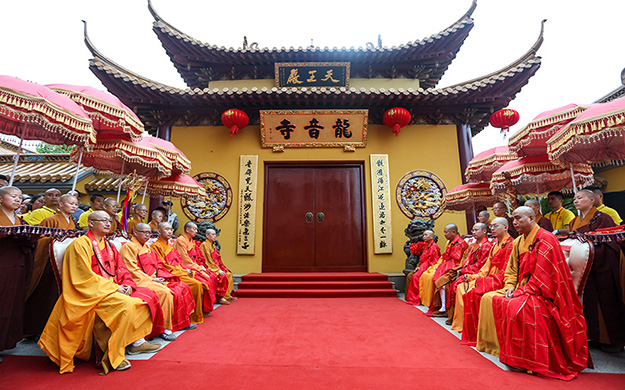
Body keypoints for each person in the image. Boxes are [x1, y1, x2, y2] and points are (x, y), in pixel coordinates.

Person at [38, 211, 162, 374]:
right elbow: (82, 277)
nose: (108, 223)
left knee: (143, 299)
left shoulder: (110, 245)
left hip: (109, 288)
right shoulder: (80, 245)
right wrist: (113, 288)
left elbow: (121, 269)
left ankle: (135, 343)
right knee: (127, 306)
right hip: (89, 294)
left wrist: (126, 284)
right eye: (103, 220)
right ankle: (112, 355)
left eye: (109, 221)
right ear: (90, 223)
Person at [478, 207, 588, 380]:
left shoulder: (546, 238)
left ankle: (526, 360)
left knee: (516, 307)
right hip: (524, 286)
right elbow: (512, 270)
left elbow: (545, 277)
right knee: (491, 298)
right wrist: (510, 287)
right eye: (513, 219)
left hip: (547, 292)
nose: (514, 222)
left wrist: (521, 291)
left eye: (518, 218)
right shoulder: (519, 241)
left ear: (531, 218)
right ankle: (502, 350)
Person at [569, 189, 625, 353]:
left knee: (607, 300)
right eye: (574, 199)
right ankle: (595, 336)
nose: (576, 201)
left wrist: (589, 246)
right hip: (585, 266)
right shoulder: (573, 221)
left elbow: (612, 241)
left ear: (592, 200)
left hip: (603, 264)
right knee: (589, 300)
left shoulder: (602, 218)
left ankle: (614, 340)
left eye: (580, 198)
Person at [120, 223, 196, 341]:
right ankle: (165, 328)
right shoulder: (129, 247)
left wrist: (162, 276)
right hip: (140, 281)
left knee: (182, 286)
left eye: (149, 232)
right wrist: (151, 279)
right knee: (165, 293)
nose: (147, 235)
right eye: (144, 232)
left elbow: (158, 265)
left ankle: (182, 321)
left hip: (154, 279)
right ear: (135, 233)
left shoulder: (148, 248)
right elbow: (131, 269)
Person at [25, 194, 78, 336]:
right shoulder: (50, 220)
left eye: (75, 204)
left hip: (66, 263)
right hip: (48, 263)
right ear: (60, 205)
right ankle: (38, 329)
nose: (74, 206)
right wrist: (54, 241)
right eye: (70, 203)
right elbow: (38, 241)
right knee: (46, 295)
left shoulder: (73, 222)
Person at [457, 217, 514, 340]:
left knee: (474, 293)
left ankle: (484, 334)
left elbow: (507, 271)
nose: (492, 229)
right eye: (491, 226)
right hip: (491, 277)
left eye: (495, 226)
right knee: (467, 291)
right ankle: (476, 331)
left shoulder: (510, 244)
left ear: (506, 227)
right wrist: (473, 276)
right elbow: (485, 268)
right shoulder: (495, 246)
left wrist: (483, 279)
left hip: (501, 280)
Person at [151, 222, 214, 322]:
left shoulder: (170, 246)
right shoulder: (156, 246)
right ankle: (192, 317)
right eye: (167, 229)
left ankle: (198, 313)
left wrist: (185, 269)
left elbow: (179, 260)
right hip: (172, 274)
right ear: (159, 231)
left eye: (171, 229)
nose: (170, 231)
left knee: (202, 280)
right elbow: (162, 266)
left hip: (180, 270)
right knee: (196, 284)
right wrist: (183, 271)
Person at [0, 186, 34, 360]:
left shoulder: (19, 219)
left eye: (20, 197)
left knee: (12, 302)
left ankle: (6, 341)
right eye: (13, 196)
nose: (18, 200)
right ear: (0, 199)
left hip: (18, 263)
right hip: (3, 263)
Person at [436, 223, 492, 324]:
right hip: (464, 270)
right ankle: (449, 313)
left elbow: (480, 265)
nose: (474, 232)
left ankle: (460, 319)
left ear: (484, 231)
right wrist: (460, 269)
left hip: (476, 274)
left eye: (476, 230)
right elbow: (464, 259)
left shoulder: (487, 247)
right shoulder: (473, 245)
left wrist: (463, 270)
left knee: (455, 285)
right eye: (473, 230)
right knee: (443, 280)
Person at [418, 224, 468, 311]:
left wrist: (443, 267)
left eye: (446, 232)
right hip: (447, 264)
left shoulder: (460, 243)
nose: (444, 234)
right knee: (427, 276)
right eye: (444, 232)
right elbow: (445, 256)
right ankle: (433, 303)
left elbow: (457, 259)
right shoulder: (450, 242)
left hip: (456, 266)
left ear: (454, 232)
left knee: (440, 281)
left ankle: (443, 306)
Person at [173, 222, 219, 305]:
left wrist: (200, 265)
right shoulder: (181, 240)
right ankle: (200, 307)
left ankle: (206, 305)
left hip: (194, 265)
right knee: (205, 279)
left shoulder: (191, 241)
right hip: (186, 267)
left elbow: (197, 256)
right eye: (194, 229)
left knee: (211, 276)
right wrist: (198, 267)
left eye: (196, 229)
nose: (196, 231)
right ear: (187, 230)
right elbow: (184, 259)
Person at [199, 228, 237, 303]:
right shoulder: (204, 245)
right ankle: (220, 297)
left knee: (228, 274)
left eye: (215, 234)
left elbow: (218, 259)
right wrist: (218, 270)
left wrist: (223, 268)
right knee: (223, 276)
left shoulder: (213, 246)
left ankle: (227, 295)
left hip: (216, 267)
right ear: (207, 235)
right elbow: (206, 260)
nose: (214, 236)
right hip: (210, 267)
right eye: (212, 234)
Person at [405, 230, 441, 305]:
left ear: (432, 236)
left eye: (426, 235)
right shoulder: (427, 245)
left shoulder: (433, 247)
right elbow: (422, 259)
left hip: (428, 268)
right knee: (410, 275)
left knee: (415, 277)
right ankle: (410, 297)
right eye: (423, 235)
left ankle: (418, 298)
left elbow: (433, 262)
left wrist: (421, 268)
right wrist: (418, 266)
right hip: (422, 266)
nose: (424, 237)